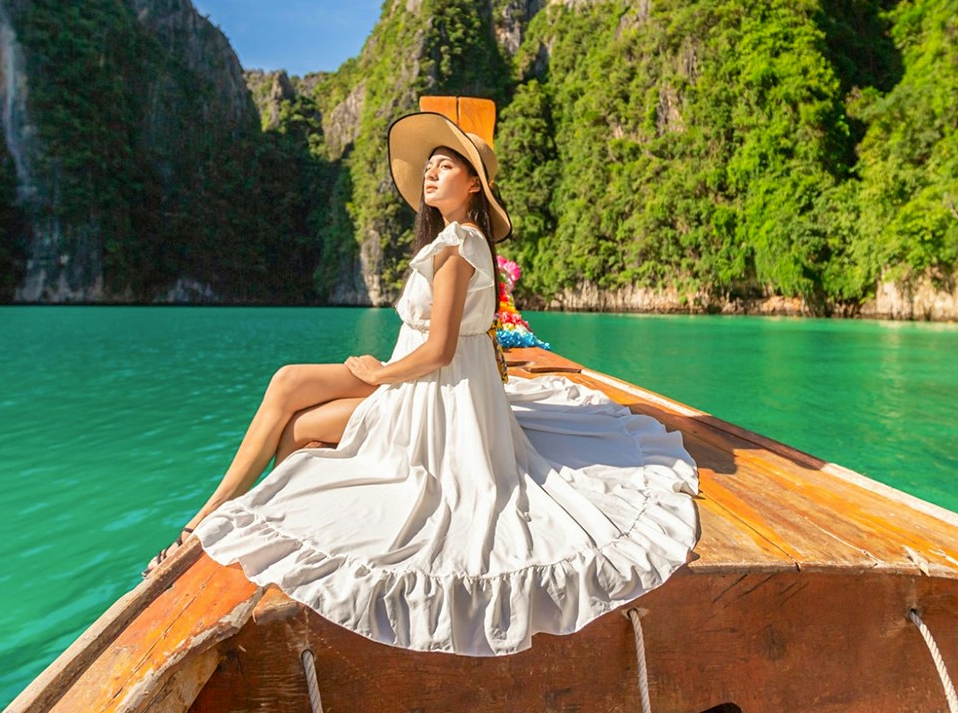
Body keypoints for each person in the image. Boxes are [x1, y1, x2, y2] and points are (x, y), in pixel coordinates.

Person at [141, 95, 700, 657]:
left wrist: (382, 373)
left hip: (437, 400)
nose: (431, 175)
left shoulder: (460, 244)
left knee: (299, 426)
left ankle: (231, 524)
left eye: (446, 166)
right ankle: (218, 516)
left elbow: (438, 350)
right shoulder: (451, 240)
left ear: (475, 184)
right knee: (288, 383)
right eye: (429, 168)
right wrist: (384, 373)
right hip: (425, 387)